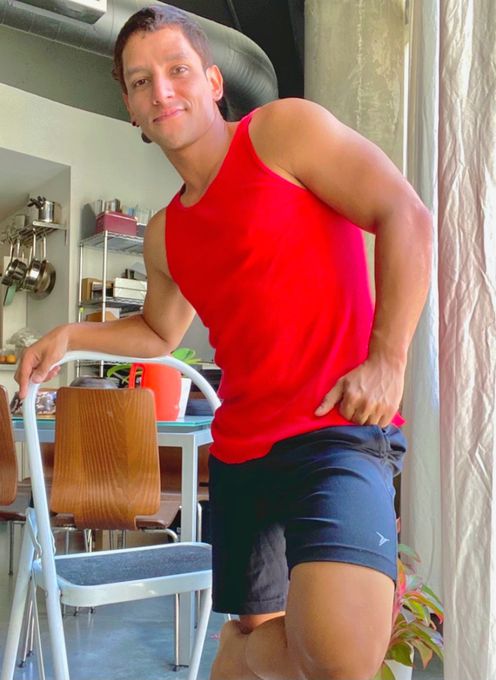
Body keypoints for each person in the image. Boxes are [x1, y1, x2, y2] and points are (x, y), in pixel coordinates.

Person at [16, 6, 432, 680]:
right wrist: (69, 334)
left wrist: (388, 358)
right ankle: (239, 654)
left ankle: (235, 658)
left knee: (341, 660)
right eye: (141, 82)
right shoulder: (164, 234)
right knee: (262, 635)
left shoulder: (282, 132)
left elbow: (405, 214)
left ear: (213, 81)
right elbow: (159, 330)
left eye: (177, 70)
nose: (162, 90)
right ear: (131, 109)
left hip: (335, 429)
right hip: (240, 454)